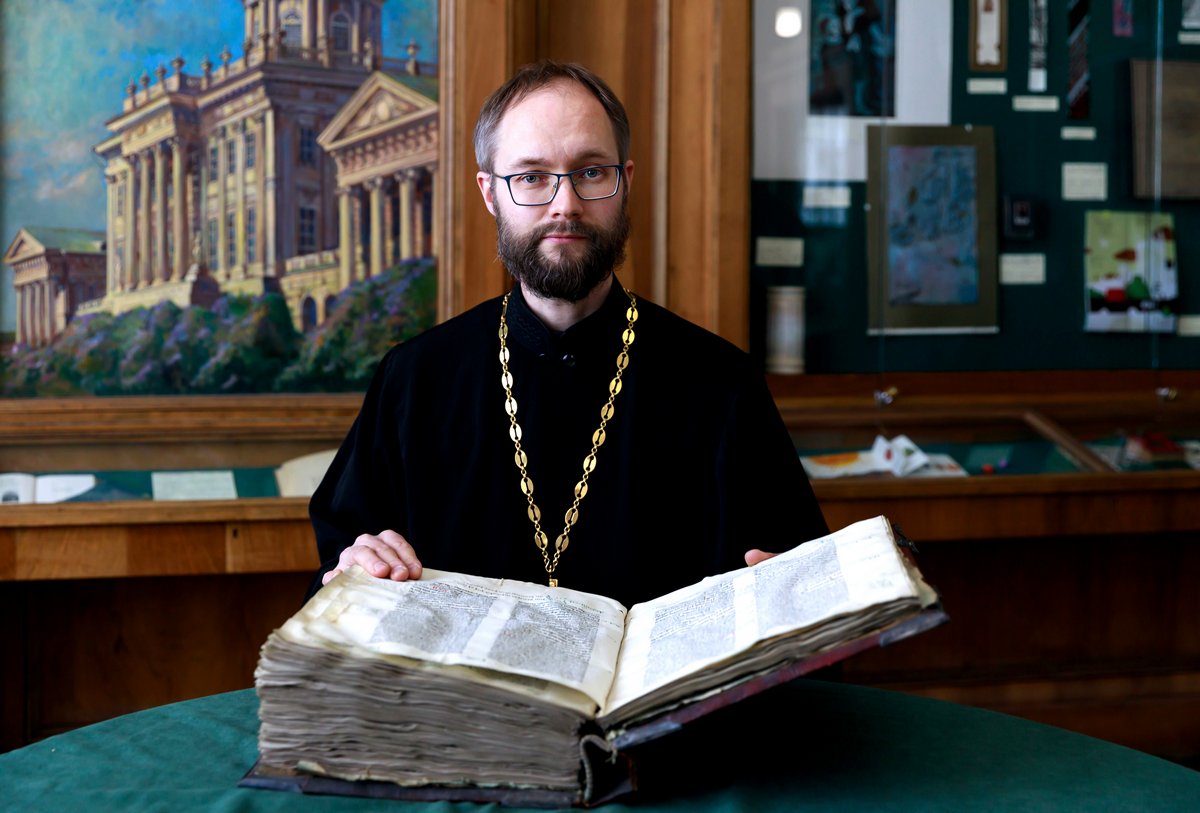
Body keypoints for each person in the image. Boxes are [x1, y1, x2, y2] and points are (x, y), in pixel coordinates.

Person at [307, 60, 828, 608]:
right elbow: (341, 578)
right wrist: (354, 568)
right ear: (490, 193)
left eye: (591, 172)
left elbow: (799, 589)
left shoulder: (722, 382)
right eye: (531, 176)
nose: (565, 205)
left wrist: (790, 600)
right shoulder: (414, 379)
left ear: (625, 182)